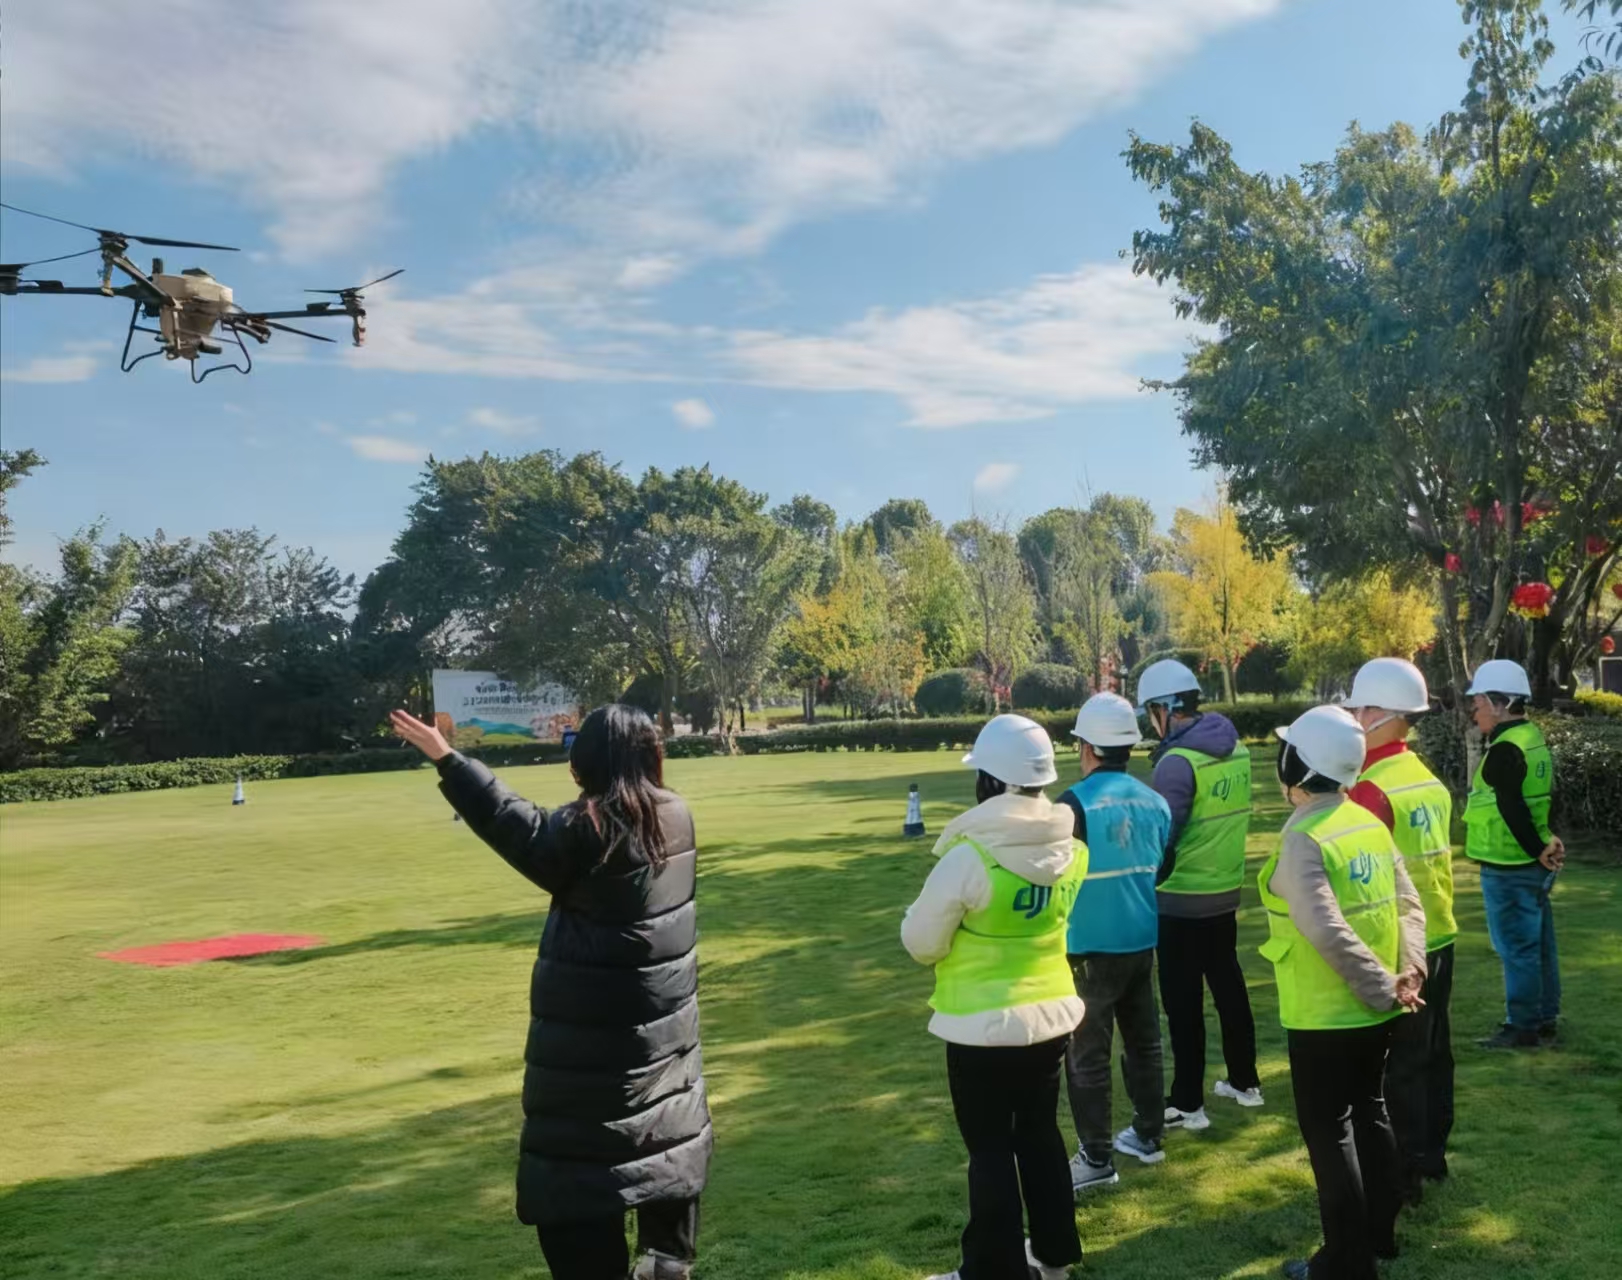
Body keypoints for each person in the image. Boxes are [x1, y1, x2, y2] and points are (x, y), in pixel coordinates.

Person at [390, 704, 711, 1280]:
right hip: (665, 1050)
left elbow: (518, 828)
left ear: (584, 764)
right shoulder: (676, 816)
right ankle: (664, 1260)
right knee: (666, 1167)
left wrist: (449, 759)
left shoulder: (589, 830)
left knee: (577, 1204)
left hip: (588, 1067)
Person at [902, 714, 1087, 1280]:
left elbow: (921, 942)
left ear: (990, 781)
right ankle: (1053, 1256)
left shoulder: (971, 856)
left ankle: (992, 1269)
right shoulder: (1072, 849)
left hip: (978, 1025)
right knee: (1039, 1134)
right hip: (1050, 1017)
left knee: (990, 1150)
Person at [1261, 706, 1428, 1280]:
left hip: (1324, 1014)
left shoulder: (1304, 837)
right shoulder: (1367, 823)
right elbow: (1408, 905)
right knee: (1370, 1111)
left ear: (1298, 766)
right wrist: (1410, 973)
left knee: (1330, 1134)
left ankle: (1345, 1262)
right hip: (1378, 1009)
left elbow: (1324, 927)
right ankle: (1379, 1236)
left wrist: (1386, 985)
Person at [1341, 658, 1455, 1200]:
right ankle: (1430, 1154)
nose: (1354, 719)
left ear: (1379, 714)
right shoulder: (1426, 778)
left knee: (1399, 1066)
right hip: (1442, 934)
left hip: (1402, 945)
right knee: (1434, 1054)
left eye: (1359, 709)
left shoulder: (1371, 788)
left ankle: (1401, 1172)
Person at [1135, 659, 1263, 1132]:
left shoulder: (1177, 763)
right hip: (1224, 892)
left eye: (1152, 712)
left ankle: (1188, 1103)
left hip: (1180, 900)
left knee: (1183, 1003)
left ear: (1166, 710)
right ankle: (1245, 1082)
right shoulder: (1238, 751)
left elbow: (1162, 839)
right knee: (1229, 987)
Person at [1055, 692, 1172, 1193]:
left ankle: (1096, 1157)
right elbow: (1163, 867)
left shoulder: (1072, 804)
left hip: (1087, 947)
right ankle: (1148, 1134)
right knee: (1144, 1043)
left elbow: (1057, 873)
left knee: (1088, 1054)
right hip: (1141, 940)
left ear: (1087, 747)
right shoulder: (1155, 801)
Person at [1461, 660, 1567, 1051]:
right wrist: (1547, 840)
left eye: (1478, 704)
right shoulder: (1530, 737)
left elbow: (1511, 807)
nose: (1474, 712)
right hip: (1530, 863)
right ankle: (1544, 1018)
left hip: (1509, 865)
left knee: (1517, 950)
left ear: (1499, 703)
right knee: (1539, 946)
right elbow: (1541, 799)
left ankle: (1522, 1027)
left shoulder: (1505, 749)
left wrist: (1538, 848)